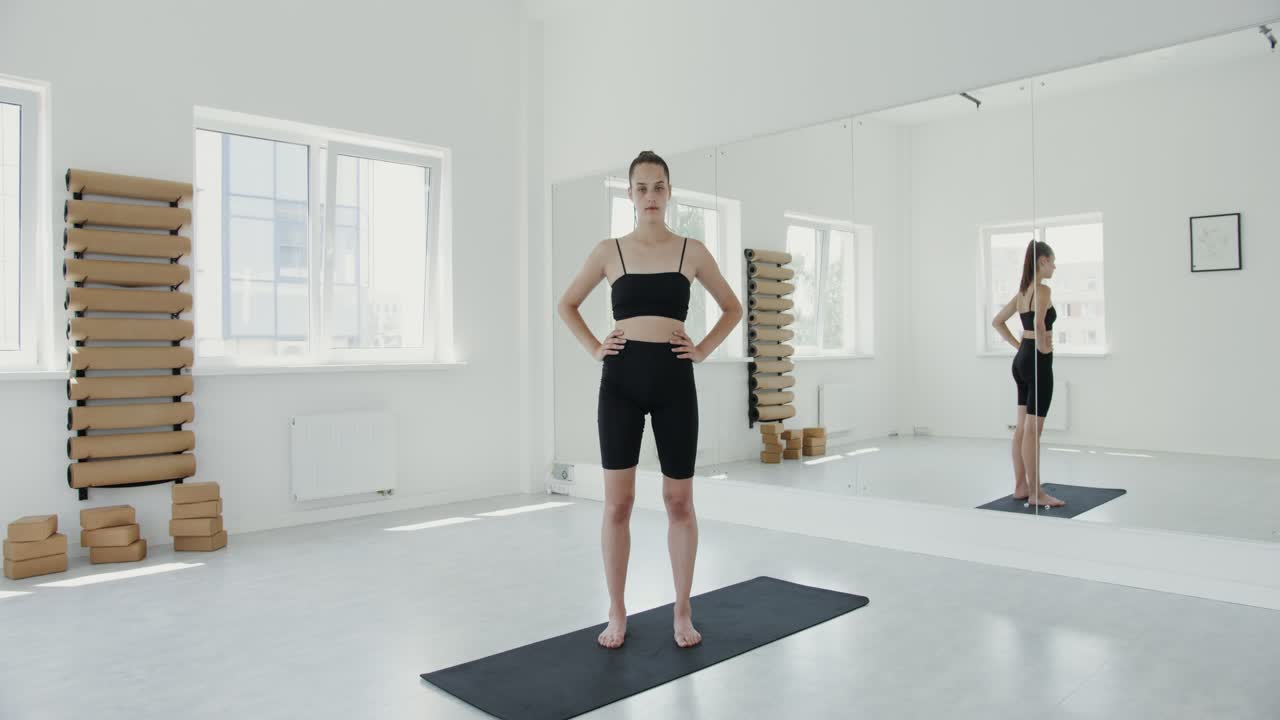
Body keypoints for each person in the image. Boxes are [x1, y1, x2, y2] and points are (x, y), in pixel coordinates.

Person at [556, 150, 743, 648]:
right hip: (620, 382)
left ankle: (682, 609)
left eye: (658, 187)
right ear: (630, 195)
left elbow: (732, 307)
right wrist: (596, 345)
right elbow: (567, 303)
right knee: (618, 503)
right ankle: (617, 611)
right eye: (642, 188)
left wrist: (701, 348)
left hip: (674, 381)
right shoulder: (608, 251)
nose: (651, 196)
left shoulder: (692, 251)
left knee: (678, 500)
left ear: (669, 191)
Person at [991, 239, 1064, 508]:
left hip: (1021, 360)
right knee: (1034, 430)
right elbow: (1038, 320)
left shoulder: (1022, 294)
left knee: (1022, 428)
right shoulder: (1042, 289)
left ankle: (1021, 486)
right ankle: (1036, 492)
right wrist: (1043, 343)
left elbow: (997, 321)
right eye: (1052, 261)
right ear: (1042, 261)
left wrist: (1020, 345)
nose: (1054, 267)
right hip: (1037, 362)